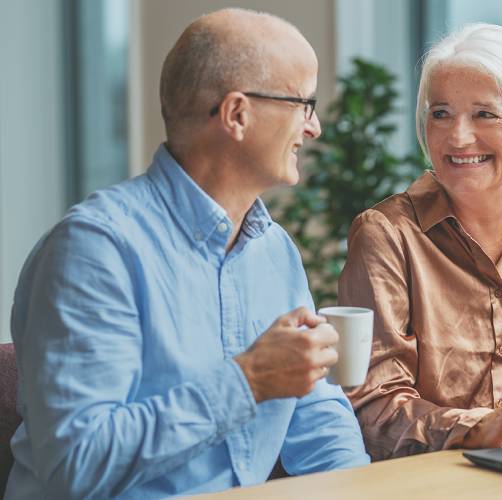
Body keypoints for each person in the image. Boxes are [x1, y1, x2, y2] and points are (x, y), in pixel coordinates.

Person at [6, 8, 369, 498]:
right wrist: (248, 381)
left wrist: (366, 487)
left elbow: (317, 415)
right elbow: (78, 463)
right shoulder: (93, 251)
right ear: (237, 114)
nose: (315, 127)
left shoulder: (273, 249)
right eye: (304, 103)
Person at [339, 23, 502, 461]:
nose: (457, 137)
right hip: (422, 484)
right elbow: (373, 408)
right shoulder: (386, 235)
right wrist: (479, 429)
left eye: (484, 113)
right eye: (440, 113)